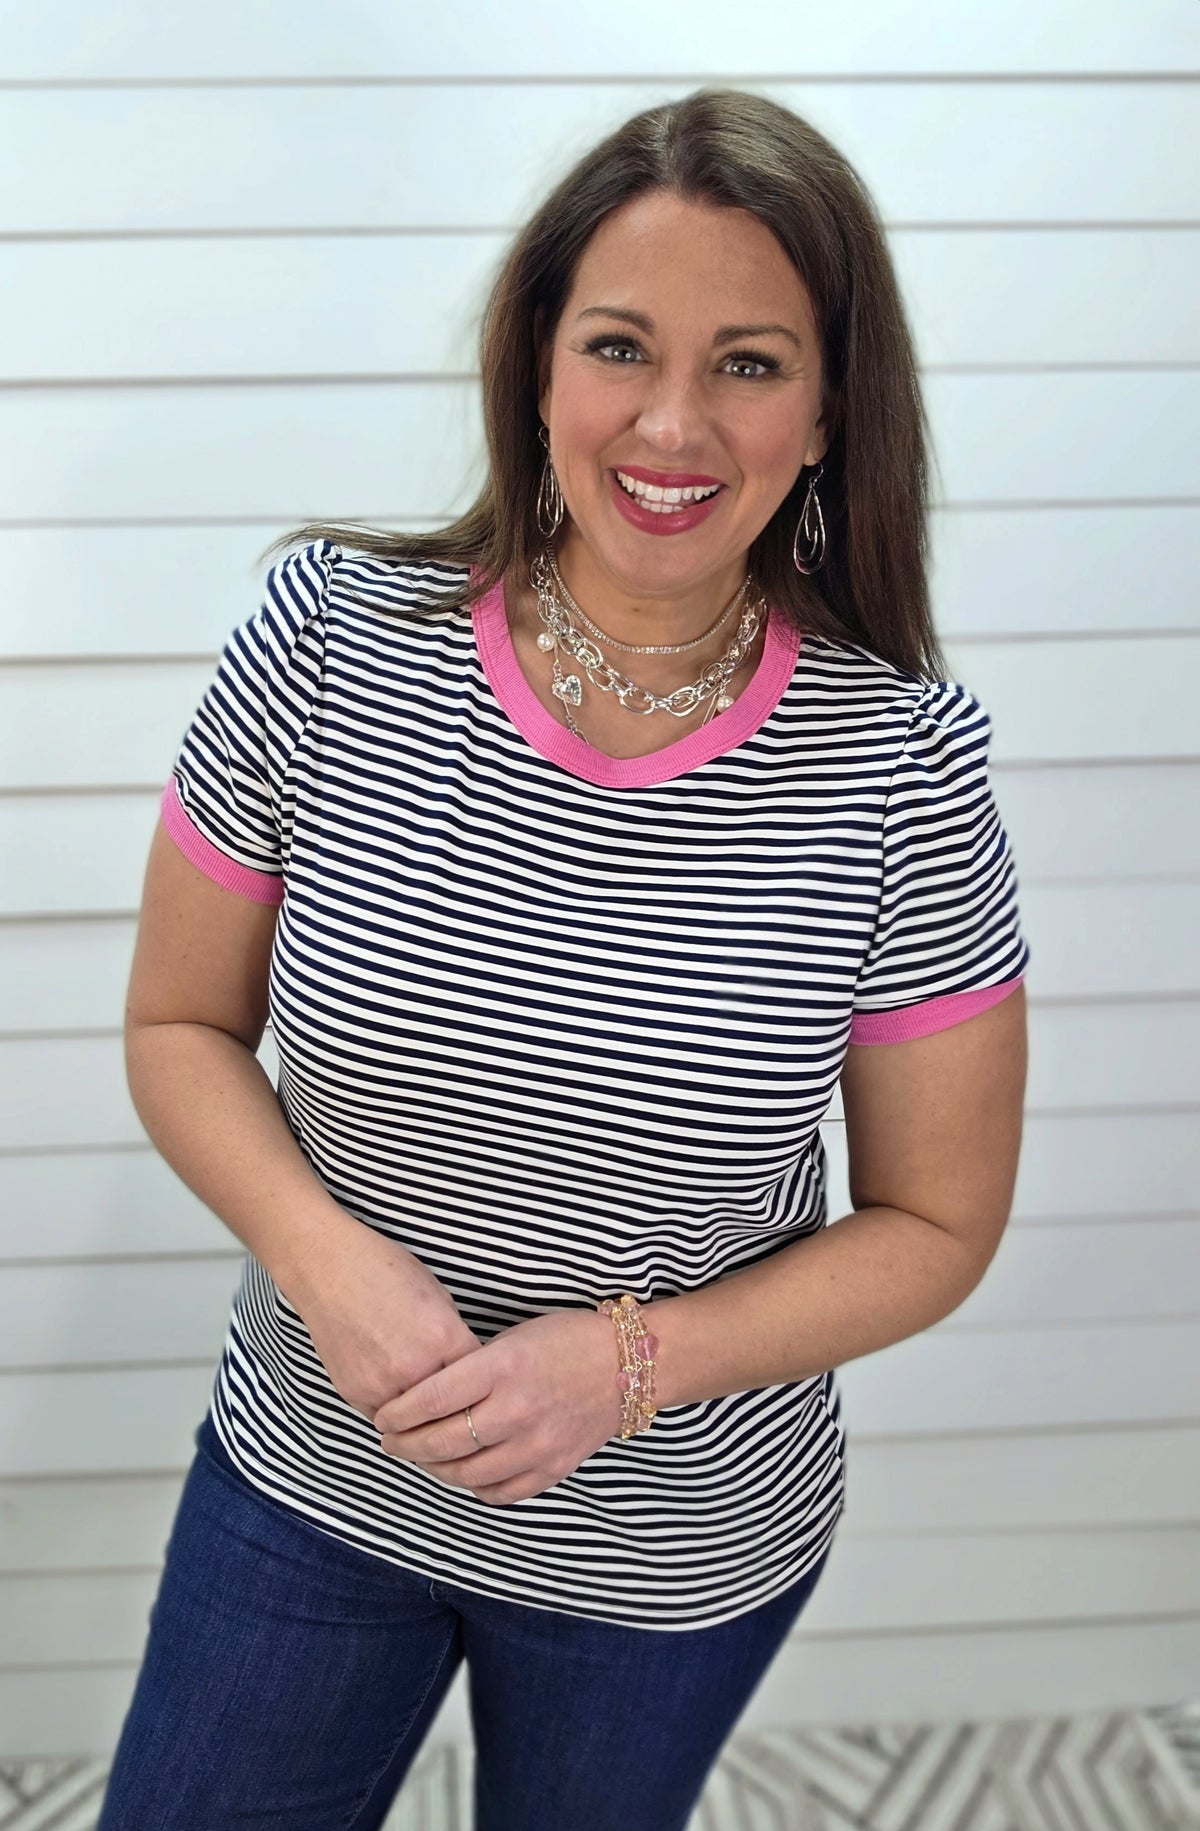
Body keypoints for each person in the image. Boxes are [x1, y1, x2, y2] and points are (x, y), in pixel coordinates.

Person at [98, 87, 1029, 1831]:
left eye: (750, 363)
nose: (672, 421)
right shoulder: (326, 644)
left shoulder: (903, 762)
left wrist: (621, 1366)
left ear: (830, 410)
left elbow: (936, 1224)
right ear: (538, 366)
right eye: (619, 346)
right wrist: (322, 1257)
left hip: (670, 1553)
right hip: (314, 1476)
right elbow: (176, 1026)